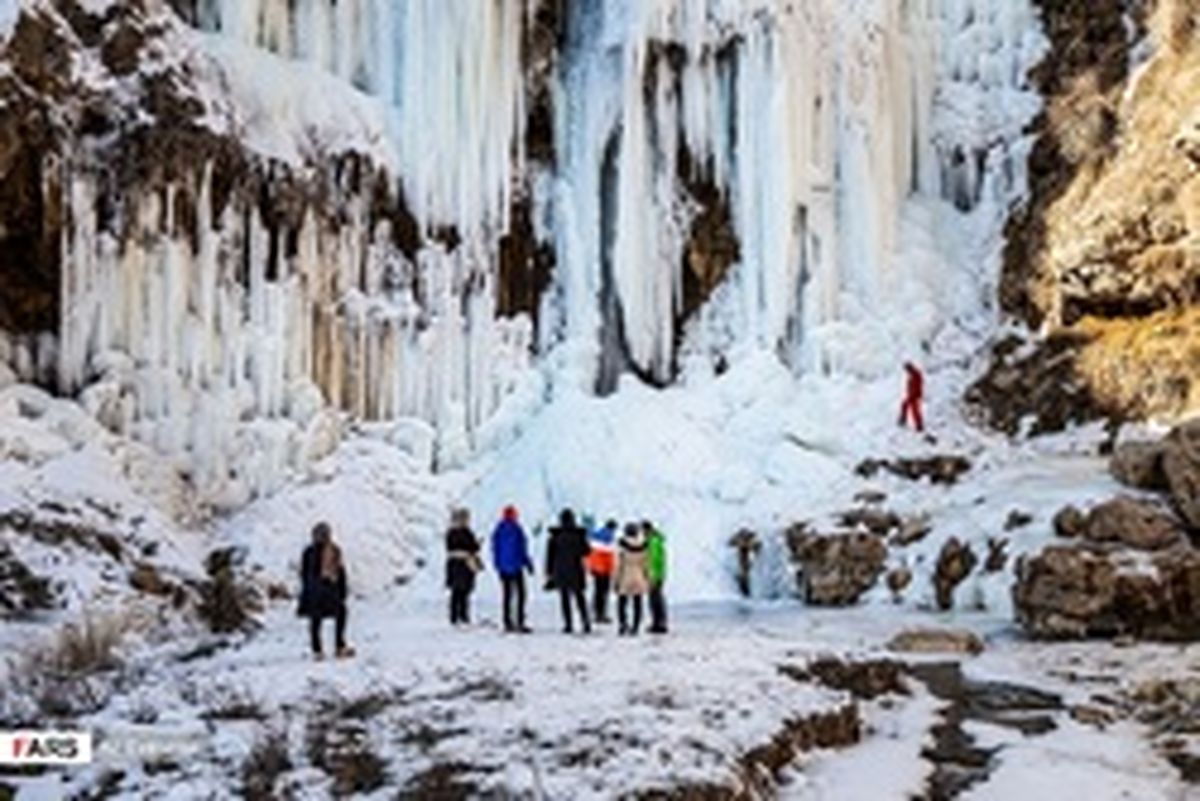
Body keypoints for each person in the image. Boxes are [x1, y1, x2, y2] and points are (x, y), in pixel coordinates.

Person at [298, 522, 353, 659]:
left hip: (317, 592)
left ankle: (319, 650)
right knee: (338, 614)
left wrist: (306, 591)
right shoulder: (332, 550)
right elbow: (340, 573)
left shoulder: (310, 552)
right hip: (326, 592)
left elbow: (304, 574)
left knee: (317, 619)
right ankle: (338, 646)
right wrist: (342, 591)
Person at [546, 508, 592, 634]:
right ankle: (586, 622)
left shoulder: (555, 537)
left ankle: (568, 624)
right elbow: (587, 552)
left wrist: (549, 573)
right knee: (580, 598)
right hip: (576, 570)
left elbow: (550, 557)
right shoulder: (578, 535)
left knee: (564, 599)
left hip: (560, 571)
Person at [491, 505, 533, 633]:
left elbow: (495, 549)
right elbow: (522, 548)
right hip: (516, 566)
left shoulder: (498, 530)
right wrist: (528, 563)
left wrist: (497, 564)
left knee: (507, 595)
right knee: (521, 594)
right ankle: (519, 621)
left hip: (503, 568)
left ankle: (507, 622)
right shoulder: (517, 529)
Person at [445, 508, 482, 626]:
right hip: (464, 564)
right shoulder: (466, 532)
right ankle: (463, 616)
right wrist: (478, 544)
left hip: (453, 564)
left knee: (455, 592)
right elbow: (473, 547)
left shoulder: (450, 533)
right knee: (464, 592)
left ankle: (454, 616)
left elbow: (449, 548)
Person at [614, 522, 649, 635]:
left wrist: (615, 580)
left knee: (622, 603)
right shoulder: (644, 545)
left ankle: (623, 624)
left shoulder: (622, 545)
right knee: (637, 603)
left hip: (625, 576)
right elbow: (646, 565)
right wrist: (646, 578)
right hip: (638, 576)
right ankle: (635, 626)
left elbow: (618, 565)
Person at [586, 519, 618, 623]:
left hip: (596, 569)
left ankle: (596, 612)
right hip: (605, 570)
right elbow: (609, 556)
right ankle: (601, 614)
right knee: (604, 592)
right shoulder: (609, 538)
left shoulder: (596, 535)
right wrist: (612, 569)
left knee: (598, 591)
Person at [644, 521, 668, 634]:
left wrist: (651, 575)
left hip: (654, 575)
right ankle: (660, 622)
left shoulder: (653, 542)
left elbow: (654, 559)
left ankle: (657, 623)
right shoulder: (657, 540)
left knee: (654, 600)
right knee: (658, 599)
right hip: (659, 574)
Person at [899, 361, 925, 432]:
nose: (906, 371)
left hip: (915, 395)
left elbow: (917, 385)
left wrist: (915, 393)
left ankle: (919, 425)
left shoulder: (916, 374)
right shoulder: (912, 374)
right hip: (911, 394)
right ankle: (903, 419)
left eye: (907, 369)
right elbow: (910, 385)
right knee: (905, 405)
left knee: (915, 410)